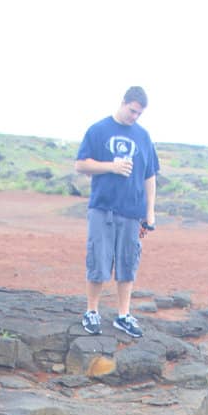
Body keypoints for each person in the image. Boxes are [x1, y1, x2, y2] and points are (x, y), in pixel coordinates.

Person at [75, 87, 159, 339]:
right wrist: (111, 166)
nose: (134, 116)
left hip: (132, 211)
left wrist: (150, 212)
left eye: (139, 113)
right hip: (103, 208)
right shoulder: (98, 130)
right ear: (123, 103)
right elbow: (81, 164)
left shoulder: (143, 137)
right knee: (98, 260)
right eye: (132, 110)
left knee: (127, 263)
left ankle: (123, 315)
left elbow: (150, 175)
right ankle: (92, 311)